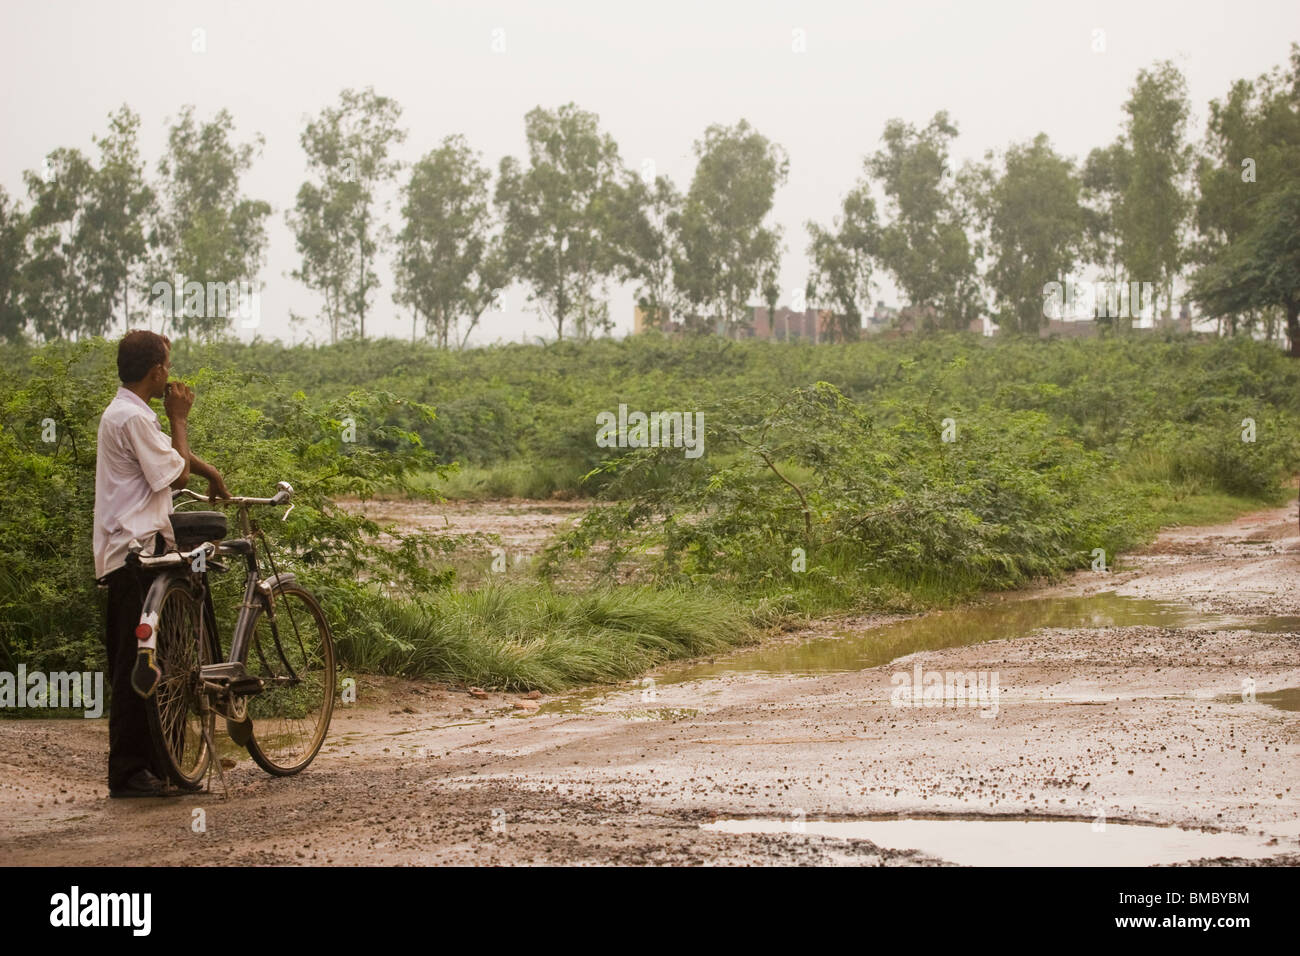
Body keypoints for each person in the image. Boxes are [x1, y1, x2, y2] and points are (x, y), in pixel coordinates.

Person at [93, 330, 230, 798]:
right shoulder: (134, 417)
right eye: (167, 366)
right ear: (156, 371)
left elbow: (172, 460)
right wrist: (180, 417)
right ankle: (129, 772)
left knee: (158, 664)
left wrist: (213, 472)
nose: (170, 374)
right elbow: (176, 471)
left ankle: (160, 766)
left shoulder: (132, 416)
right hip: (133, 553)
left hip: (142, 551)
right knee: (137, 666)